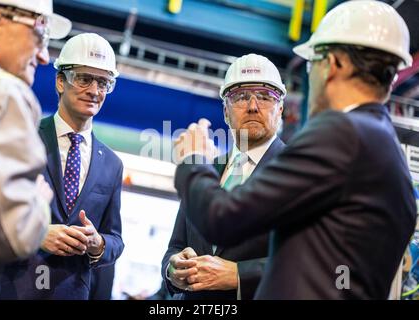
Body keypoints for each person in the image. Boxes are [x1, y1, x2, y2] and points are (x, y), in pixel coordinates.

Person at [172, 0, 417, 299]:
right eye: (241, 97)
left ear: (334, 64)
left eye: (313, 64)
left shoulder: (340, 135)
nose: (252, 106)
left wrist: (193, 160)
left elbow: (222, 220)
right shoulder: (384, 150)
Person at [0, 33, 124, 299]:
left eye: (103, 82)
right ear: (60, 81)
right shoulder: (22, 136)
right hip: (11, 286)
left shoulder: (112, 164)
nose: (94, 90)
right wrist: (37, 233)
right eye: (84, 79)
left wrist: (97, 243)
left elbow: (115, 238)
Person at [162, 54, 286, 299]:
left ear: (280, 109)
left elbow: (313, 264)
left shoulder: (298, 170)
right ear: (226, 112)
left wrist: (238, 275)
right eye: (240, 97)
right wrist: (173, 269)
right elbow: (175, 246)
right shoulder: (206, 169)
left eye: (264, 97)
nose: (252, 106)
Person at [0, 0, 71, 299]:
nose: (42, 56)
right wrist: (38, 204)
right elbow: (11, 236)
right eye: (40, 35)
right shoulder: (0, 94)